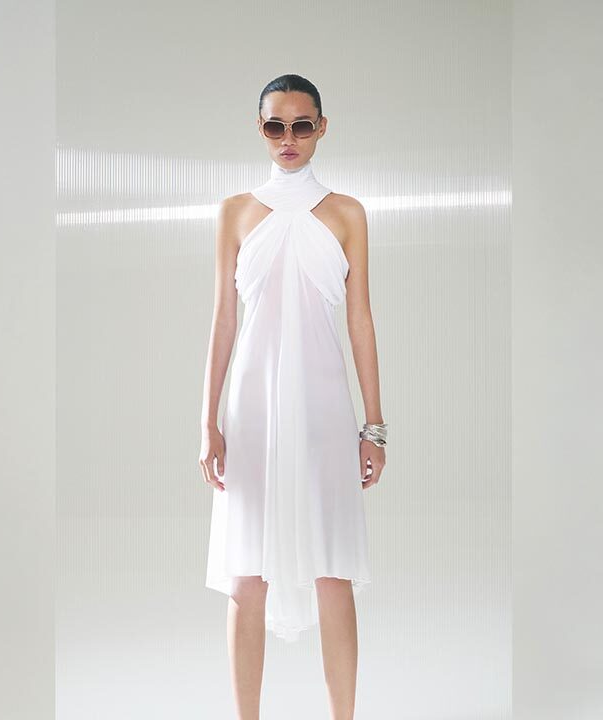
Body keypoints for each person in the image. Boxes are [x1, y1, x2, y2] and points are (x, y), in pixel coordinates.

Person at [199, 73, 386, 719]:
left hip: (324, 404)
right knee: (246, 571)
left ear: (321, 128)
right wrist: (207, 421)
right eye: (275, 125)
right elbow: (223, 319)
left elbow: (360, 320)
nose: (289, 138)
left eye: (301, 125)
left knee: (333, 568)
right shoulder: (234, 211)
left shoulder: (347, 213)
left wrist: (374, 426)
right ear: (260, 129)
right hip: (251, 406)